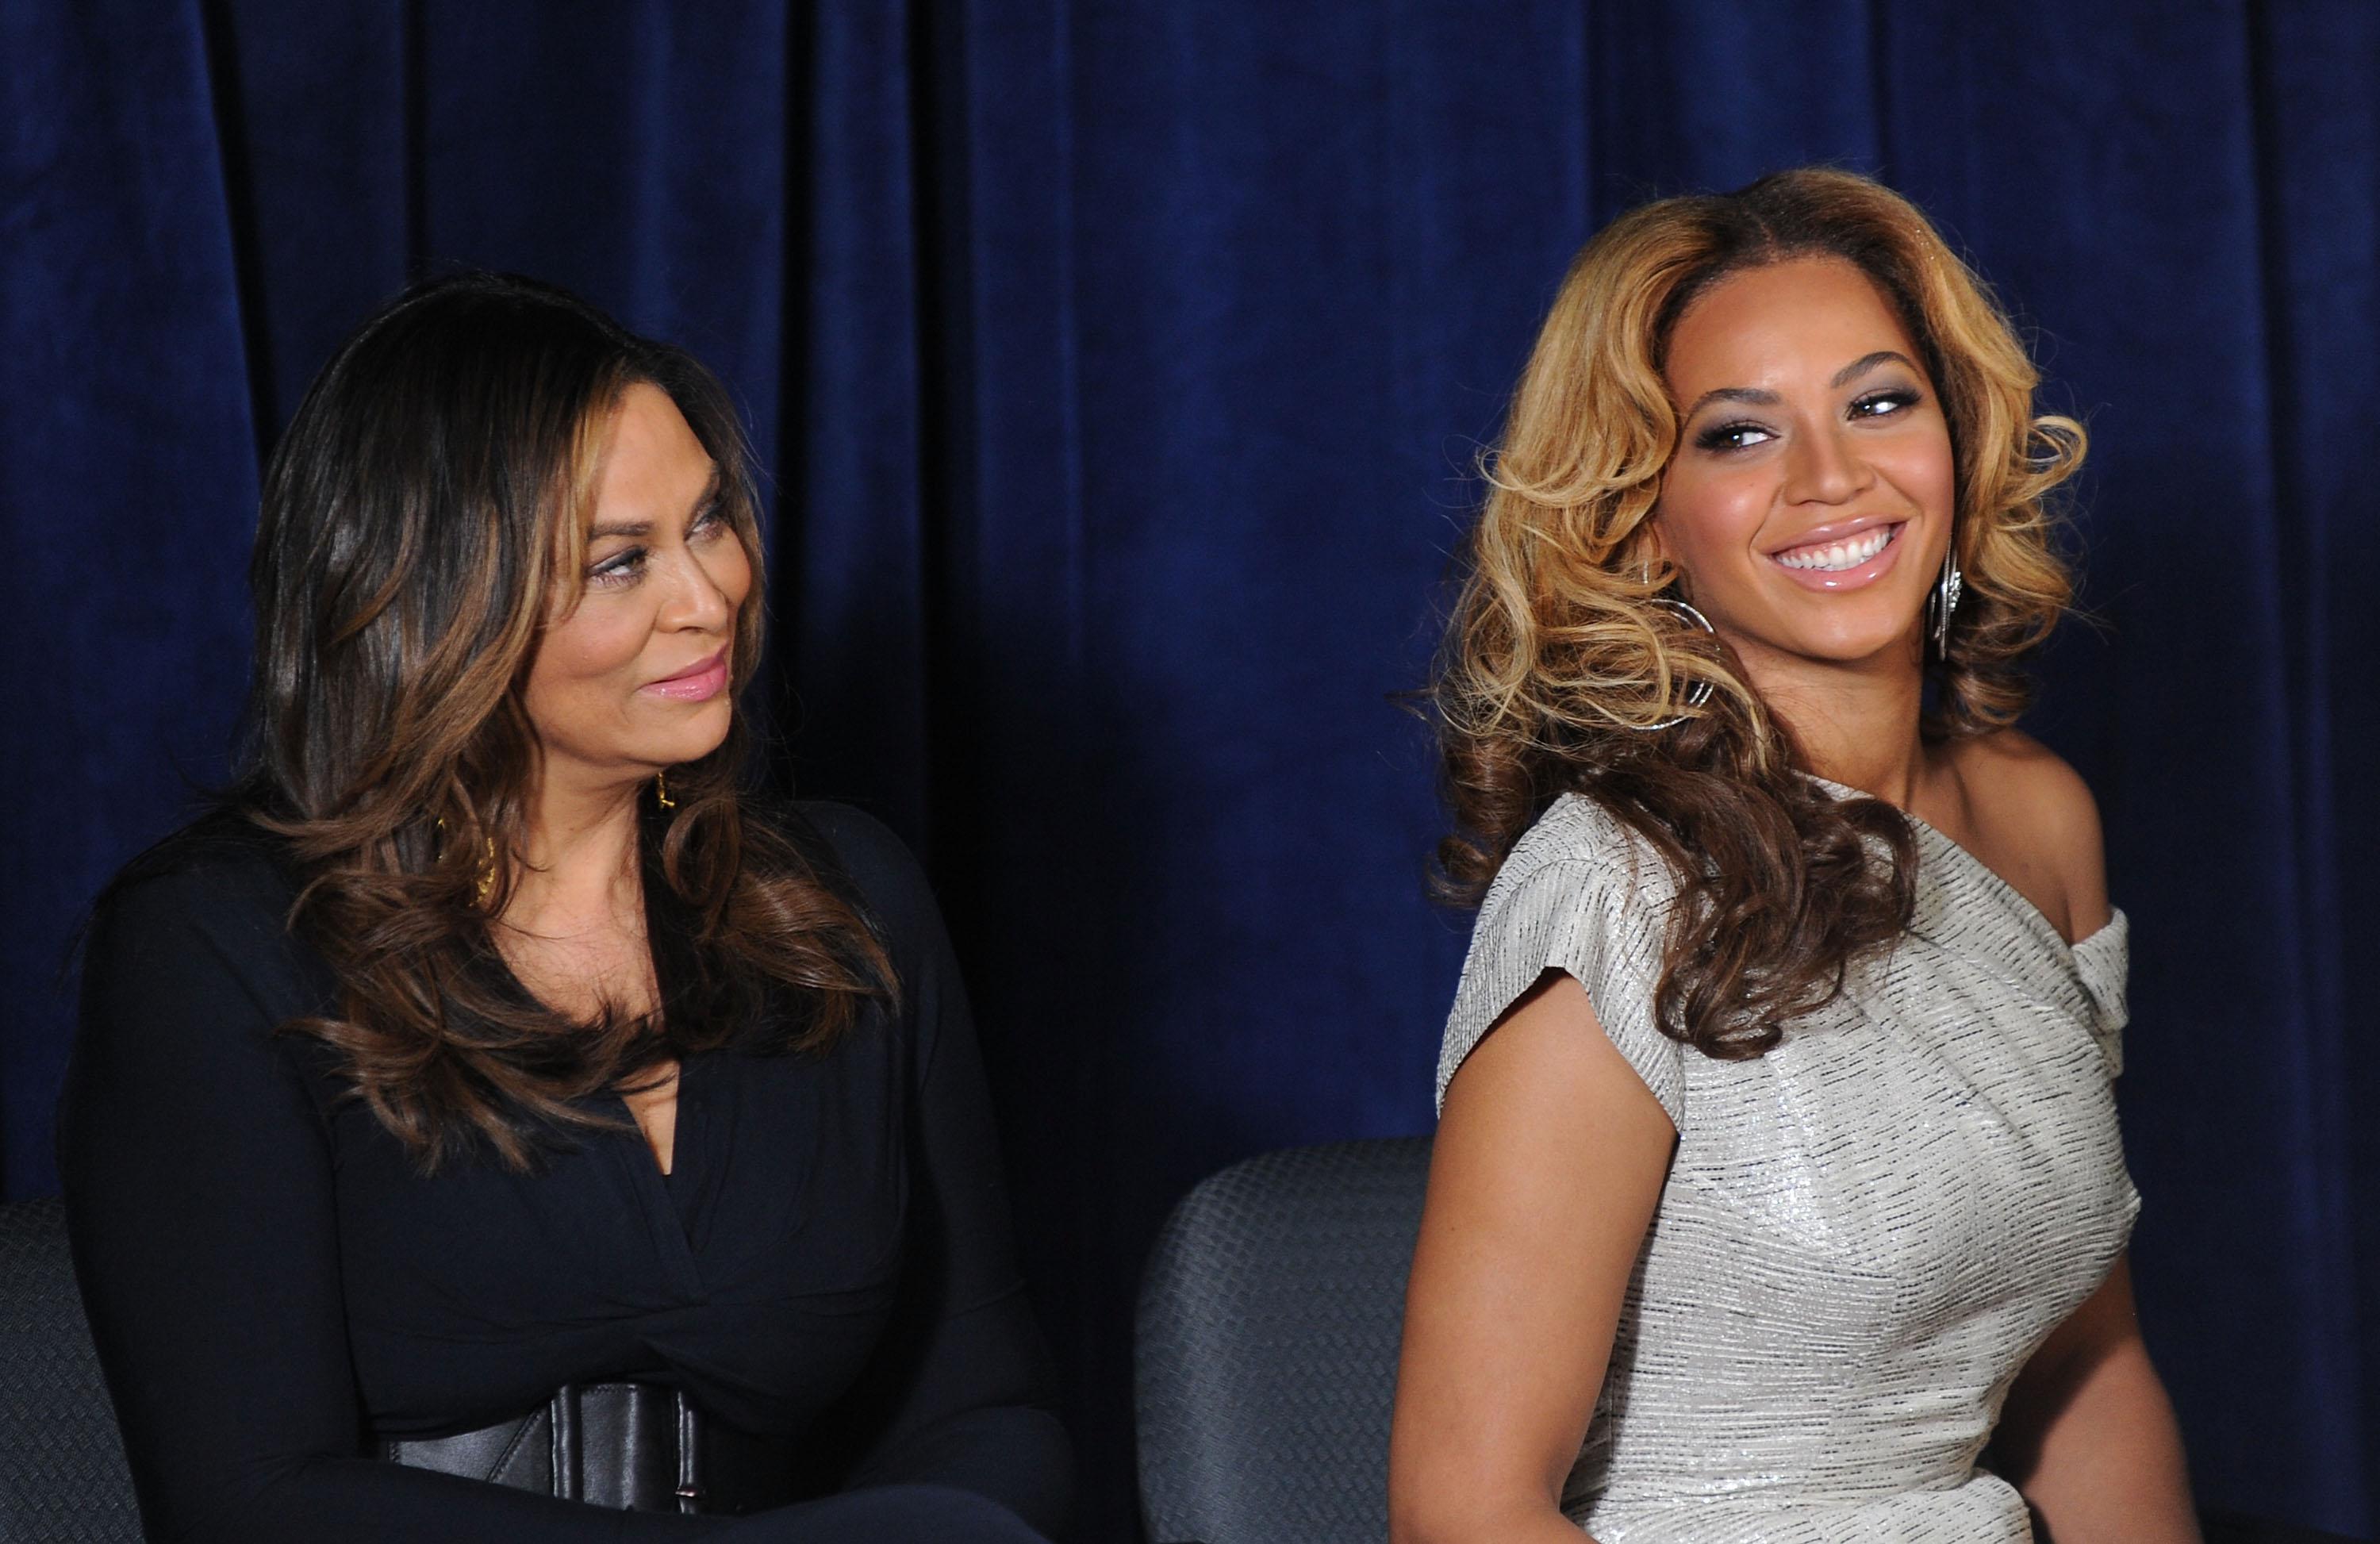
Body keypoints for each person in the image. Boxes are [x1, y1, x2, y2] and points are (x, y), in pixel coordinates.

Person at [59, 272, 1071, 1542]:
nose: (709, 595)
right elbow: (249, 1502)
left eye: (710, 522)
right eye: (620, 562)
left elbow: (988, 1411)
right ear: (437, 607)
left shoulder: (844, 905)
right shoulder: (214, 945)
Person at [1389, 169, 2200, 1543]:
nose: (1832, 477)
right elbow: (1461, 1509)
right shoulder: (1612, 889)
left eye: (1880, 402)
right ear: (1644, 521)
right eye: (1738, 434)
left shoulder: (2038, 820)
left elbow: (2083, 1363)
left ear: (1958, 436)